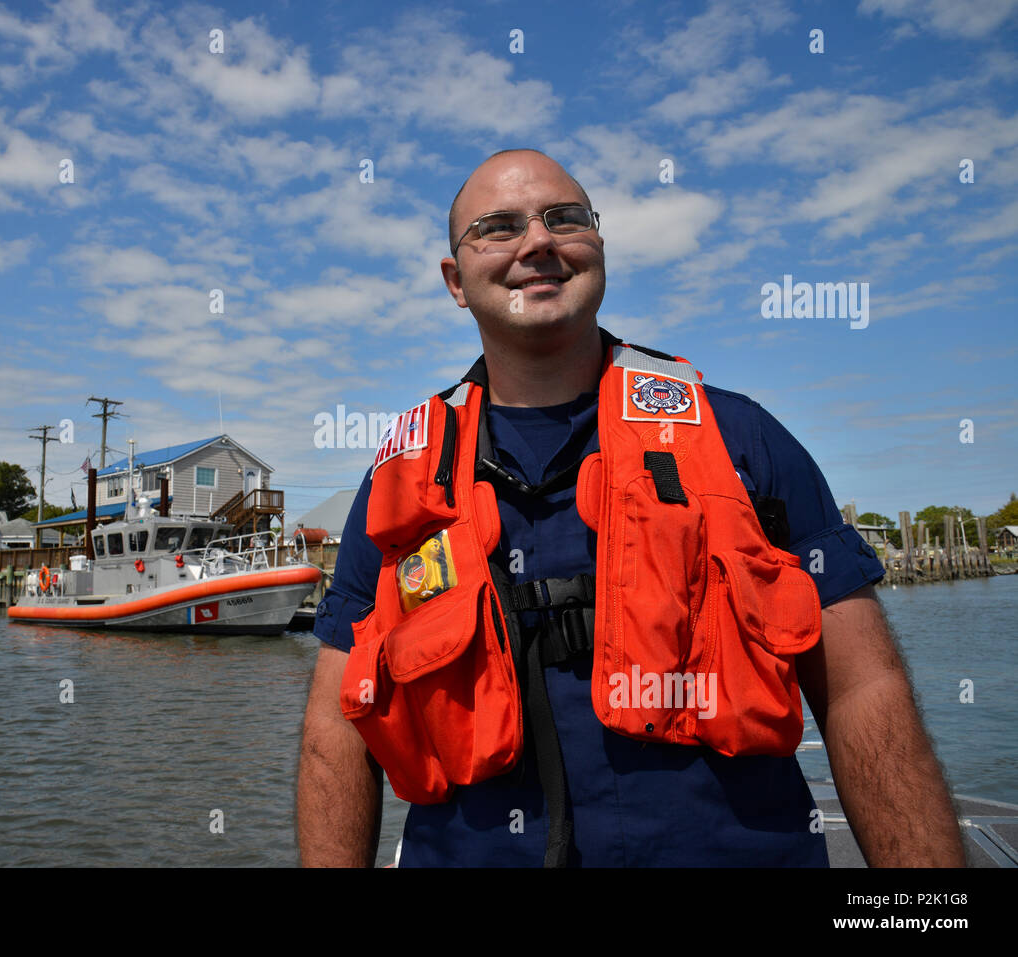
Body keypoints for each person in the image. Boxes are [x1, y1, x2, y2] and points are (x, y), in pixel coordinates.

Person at [296, 148, 966, 867]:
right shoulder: (402, 479)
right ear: (455, 281)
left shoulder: (742, 439)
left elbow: (864, 690)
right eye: (498, 227)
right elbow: (335, 731)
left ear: (600, 248)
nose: (538, 242)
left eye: (565, 219)